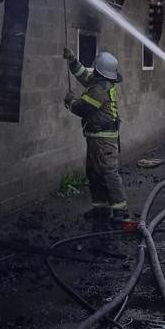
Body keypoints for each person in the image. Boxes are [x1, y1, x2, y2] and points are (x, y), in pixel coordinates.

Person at [62, 48, 127, 225]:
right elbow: (84, 76)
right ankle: (100, 208)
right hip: (95, 137)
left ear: (98, 69)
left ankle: (120, 210)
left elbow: (83, 108)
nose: (92, 70)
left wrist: (70, 101)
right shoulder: (99, 82)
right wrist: (73, 60)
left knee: (108, 173)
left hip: (103, 140)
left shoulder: (99, 89)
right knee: (94, 173)